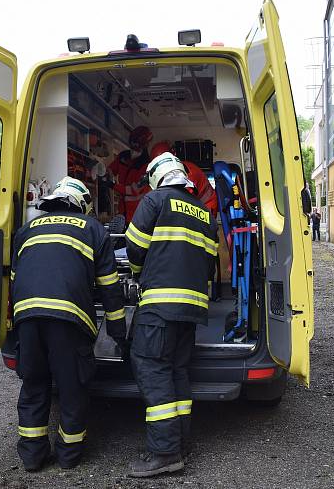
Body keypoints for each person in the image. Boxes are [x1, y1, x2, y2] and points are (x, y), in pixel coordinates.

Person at [11, 177, 127, 471]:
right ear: (82, 204)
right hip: (67, 318)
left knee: (34, 385)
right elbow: (110, 286)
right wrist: (118, 332)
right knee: (71, 387)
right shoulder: (92, 229)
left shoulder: (26, 230)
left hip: (27, 316)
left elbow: (14, 280)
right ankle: (68, 457)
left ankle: (33, 457)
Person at [124, 152, 219, 478]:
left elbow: (134, 248)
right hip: (191, 310)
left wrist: (140, 272)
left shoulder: (154, 201)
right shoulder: (205, 213)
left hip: (160, 307)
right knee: (177, 372)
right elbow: (209, 264)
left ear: (156, 177)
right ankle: (180, 443)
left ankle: (164, 453)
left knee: (153, 370)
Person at [150, 141, 218, 218]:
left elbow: (182, 200)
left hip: (206, 207)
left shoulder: (187, 173)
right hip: (196, 206)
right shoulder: (172, 173)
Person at [108, 126, 153, 223]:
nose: (134, 147)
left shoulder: (146, 165)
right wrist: (105, 173)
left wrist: (113, 185)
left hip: (136, 212)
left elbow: (135, 190)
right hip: (121, 210)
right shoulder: (123, 156)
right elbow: (111, 169)